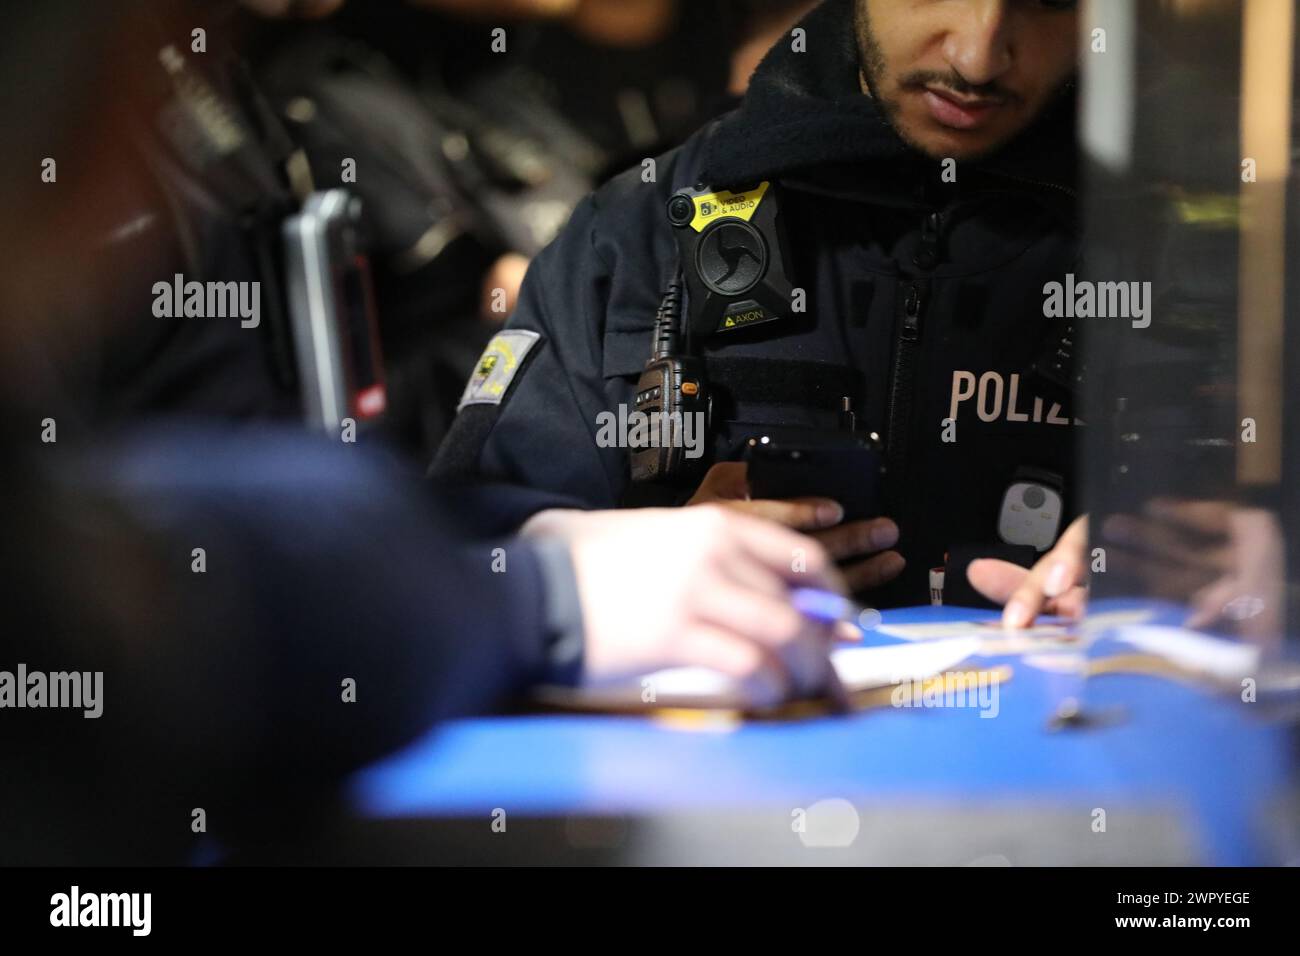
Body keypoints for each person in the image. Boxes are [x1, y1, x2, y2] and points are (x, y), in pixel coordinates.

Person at [433, 0, 1086, 612]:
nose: (976, 58)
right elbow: (458, 562)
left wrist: (1174, 585)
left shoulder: (1166, 253)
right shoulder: (638, 233)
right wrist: (636, 570)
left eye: (1050, 0)